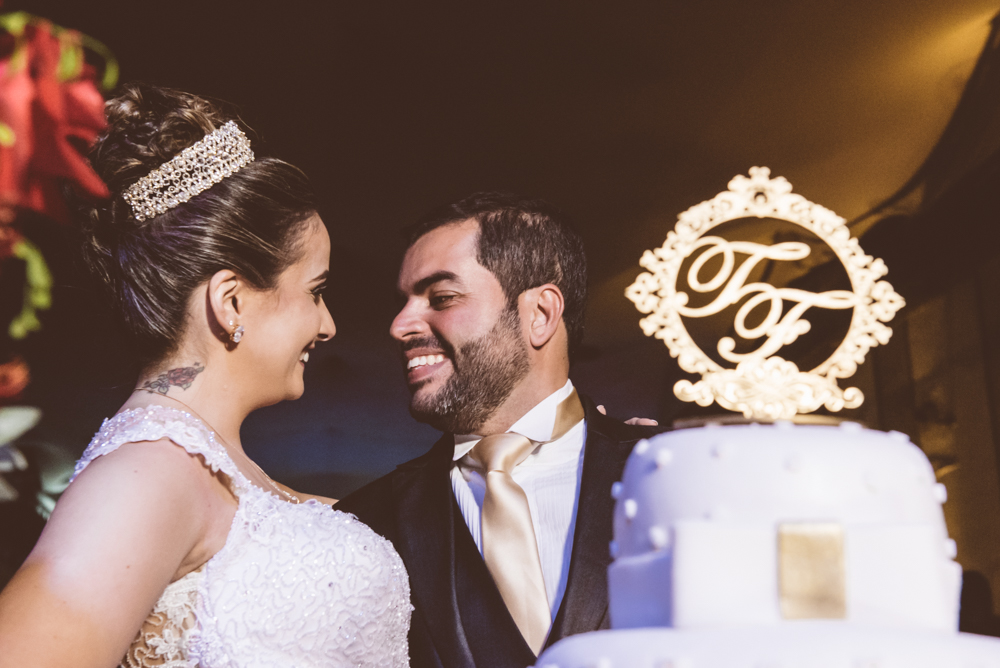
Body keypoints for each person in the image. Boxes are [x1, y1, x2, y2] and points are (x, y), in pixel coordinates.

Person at [0, 83, 411, 668]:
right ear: (231, 302)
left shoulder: (196, 467)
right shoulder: (145, 472)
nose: (328, 326)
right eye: (315, 292)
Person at [336, 193, 667, 668]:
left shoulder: (668, 467)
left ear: (540, 314)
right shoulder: (365, 522)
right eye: (403, 302)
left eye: (441, 298)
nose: (399, 325)